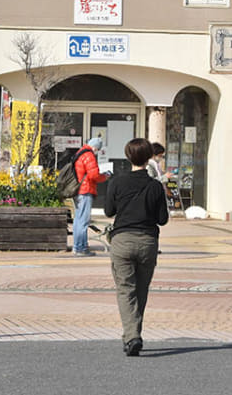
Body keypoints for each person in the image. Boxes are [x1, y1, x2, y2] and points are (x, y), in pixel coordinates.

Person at [104, 137, 170, 356]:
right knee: (141, 290)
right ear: (149, 157)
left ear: (128, 156)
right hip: (147, 241)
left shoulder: (117, 182)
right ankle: (133, 335)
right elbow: (162, 219)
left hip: (122, 240)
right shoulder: (155, 186)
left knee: (126, 290)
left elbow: (108, 211)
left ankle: (132, 336)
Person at [72, 136, 107, 257]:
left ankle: (77, 246)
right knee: (83, 221)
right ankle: (81, 248)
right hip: (86, 190)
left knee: (78, 219)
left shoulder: (80, 153)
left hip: (78, 190)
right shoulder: (89, 155)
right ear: (95, 147)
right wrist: (105, 176)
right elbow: (94, 175)